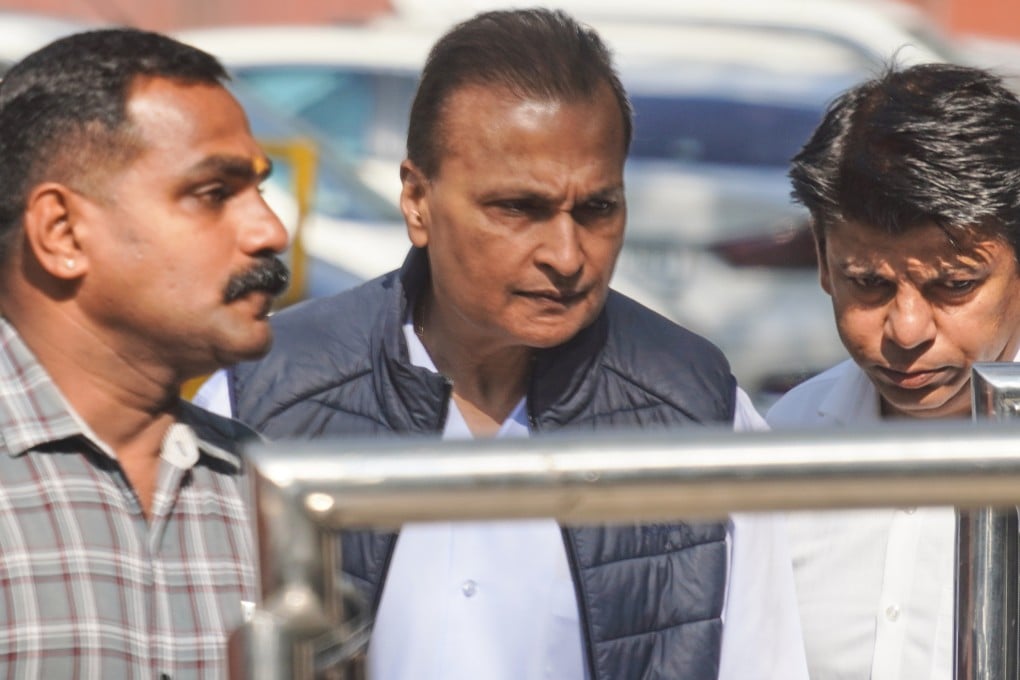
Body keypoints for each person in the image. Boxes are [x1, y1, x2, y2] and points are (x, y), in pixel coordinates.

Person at [198, 9, 807, 679]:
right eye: (518, 208)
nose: (567, 255)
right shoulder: (262, 399)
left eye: (597, 209)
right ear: (417, 200)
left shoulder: (698, 412)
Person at [0, 28, 290, 677]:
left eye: (259, 191)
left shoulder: (263, 490)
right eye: (213, 193)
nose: (269, 231)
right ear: (63, 232)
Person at [767, 62, 1020, 680]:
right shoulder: (782, 444)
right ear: (822, 258)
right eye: (868, 283)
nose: (907, 331)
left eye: (954, 285)